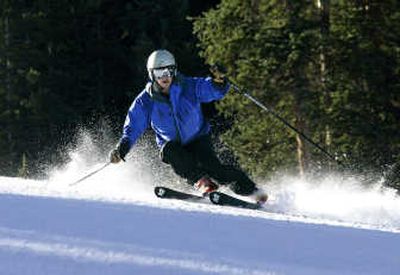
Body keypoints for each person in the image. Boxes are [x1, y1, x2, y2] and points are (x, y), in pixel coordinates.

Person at [109, 49, 267, 203]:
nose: (165, 77)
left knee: (216, 170)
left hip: (198, 138)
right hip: (174, 146)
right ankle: (203, 182)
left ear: (174, 71)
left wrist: (218, 82)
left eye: (169, 71)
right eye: (159, 73)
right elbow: (133, 126)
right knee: (169, 151)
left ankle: (252, 191)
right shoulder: (145, 101)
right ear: (151, 74)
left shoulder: (188, 86)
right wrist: (122, 148)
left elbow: (210, 90)